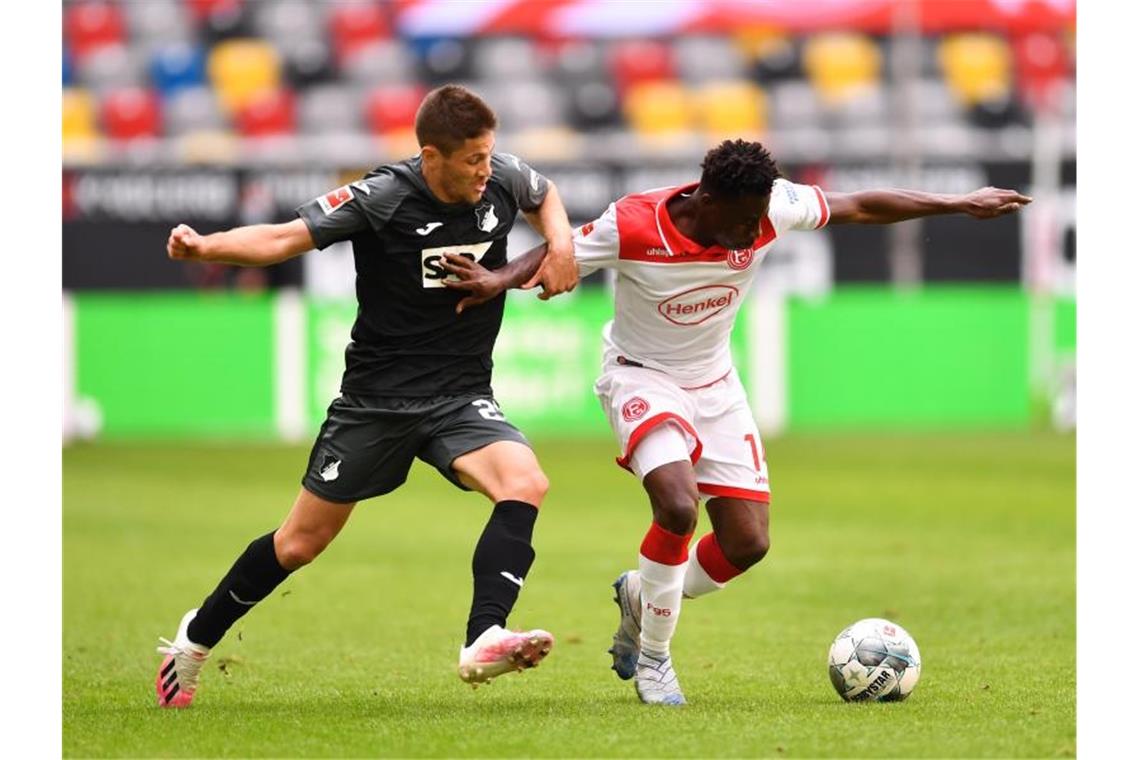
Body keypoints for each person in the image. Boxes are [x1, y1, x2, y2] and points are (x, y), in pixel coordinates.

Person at [439, 138, 1031, 706]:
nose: (755, 234)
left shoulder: (769, 204)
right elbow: (557, 248)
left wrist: (959, 202)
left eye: (759, 221)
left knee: (748, 543)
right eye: (745, 221)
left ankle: (644, 593)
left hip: (716, 384)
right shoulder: (636, 224)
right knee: (676, 504)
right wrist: (498, 279)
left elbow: (862, 205)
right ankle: (653, 659)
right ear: (707, 200)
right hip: (640, 375)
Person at [154, 84, 578, 708]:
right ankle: (192, 642)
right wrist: (204, 247)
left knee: (525, 482)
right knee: (299, 543)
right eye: (473, 161)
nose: (487, 171)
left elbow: (546, 197)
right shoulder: (380, 197)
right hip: (376, 403)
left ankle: (483, 636)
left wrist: (561, 245)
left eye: (490, 156)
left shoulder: (503, 176)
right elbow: (282, 239)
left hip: (460, 394)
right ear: (432, 156)